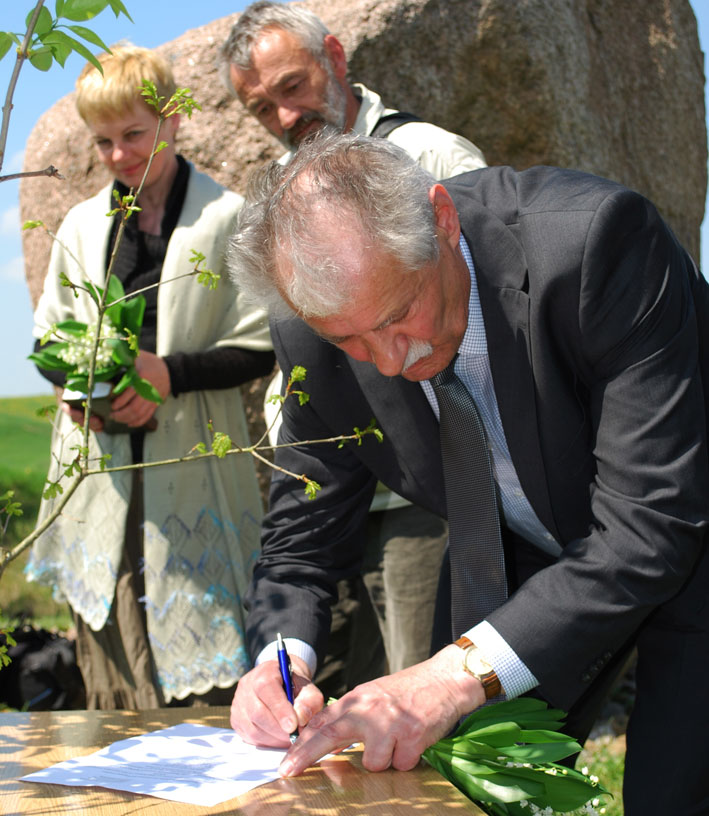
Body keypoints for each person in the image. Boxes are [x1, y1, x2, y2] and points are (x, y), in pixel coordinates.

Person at [227, 132, 709, 815]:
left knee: (673, 792)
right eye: (350, 340)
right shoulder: (311, 334)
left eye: (399, 316)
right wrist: (281, 663)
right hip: (520, 555)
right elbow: (301, 535)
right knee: (456, 794)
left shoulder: (595, 244)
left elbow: (650, 528)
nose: (389, 362)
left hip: (687, 532)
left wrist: (454, 677)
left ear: (442, 222)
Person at [220, 0, 487, 690]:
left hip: (427, 504)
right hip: (334, 486)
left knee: (421, 691)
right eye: (261, 108)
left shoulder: (430, 157)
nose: (284, 118)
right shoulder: (283, 209)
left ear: (334, 60)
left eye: (293, 88)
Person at [27, 46, 274, 709]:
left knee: (207, 679)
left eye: (133, 134)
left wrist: (165, 374)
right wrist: (80, 398)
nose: (117, 155)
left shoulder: (227, 218)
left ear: (174, 120)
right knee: (111, 668)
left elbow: (259, 346)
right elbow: (49, 337)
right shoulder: (81, 226)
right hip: (97, 479)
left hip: (190, 477)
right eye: (102, 140)